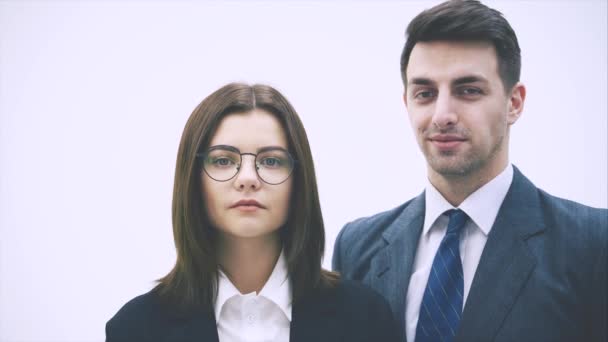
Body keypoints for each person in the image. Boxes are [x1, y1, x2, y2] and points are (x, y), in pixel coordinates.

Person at [332, 1, 607, 342]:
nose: (442, 114)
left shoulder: (594, 243)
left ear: (514, 103)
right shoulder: (358, 247)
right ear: (407, 103)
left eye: (468, 91)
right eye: (425, 93)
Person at [106, 83, 399, 342]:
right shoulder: (135, 329)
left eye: (271, 161)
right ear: (193, 180)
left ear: (299, 182)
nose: (248, 177)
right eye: (223, 160)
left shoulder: (365, 319)